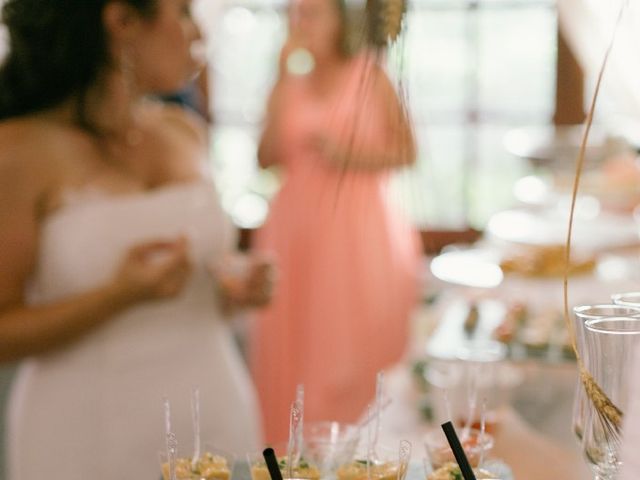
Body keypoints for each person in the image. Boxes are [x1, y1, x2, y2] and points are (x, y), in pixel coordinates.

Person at [0, 0, 270, 478]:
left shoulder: (183, 130)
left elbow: (206, 280)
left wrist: (239, 289)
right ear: (121, 20)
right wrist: (117, 296)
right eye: (183, 11)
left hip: (214, 412)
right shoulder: (18, 151)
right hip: (85, 432)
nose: (197, 33)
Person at [250, 0, 422, 442]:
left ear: (338, 20)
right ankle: (294, 454)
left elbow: (408, 151)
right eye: (294, 14)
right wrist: (280, 74)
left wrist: (351, 157)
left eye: (311, 13)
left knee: (351, 349)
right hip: (295, 234)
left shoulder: (370, 74)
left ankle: (361, 451)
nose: (300, 23)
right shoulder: (290, 81)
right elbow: (265, 157)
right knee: (295, 348)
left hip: (358, 234)